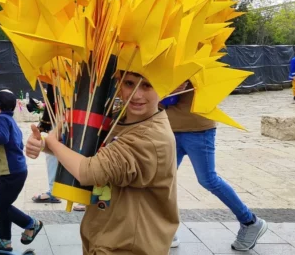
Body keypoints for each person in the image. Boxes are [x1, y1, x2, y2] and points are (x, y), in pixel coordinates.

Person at [25, 72, 179, 255]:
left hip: (129, 246)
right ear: (119, 83)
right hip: (105, 238)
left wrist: (51, 143)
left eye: (147, 85)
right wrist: (43, 144)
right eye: (129, 83)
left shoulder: (152, 138)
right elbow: (82, 150)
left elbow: (89, 171)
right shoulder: (118, 117)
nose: (136, 94)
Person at [166, 82, 268, 251]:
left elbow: (172, 88)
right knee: (163, 180)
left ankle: (250, 222)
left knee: (208, 179)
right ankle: (167, 228)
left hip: (198, 129)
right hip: (169, 128)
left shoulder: (199, 60)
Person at [0, 89, 43, 251]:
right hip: (15, 171)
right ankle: (4, 240)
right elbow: (13, 143)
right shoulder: (11, 121)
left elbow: (2, 137)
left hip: (11, 173)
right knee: (3, 205)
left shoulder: (1, 120)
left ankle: (31, 223)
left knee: (2, 205)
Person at [29, 83, 86, 211]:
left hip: (83, 111)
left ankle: (87, 192)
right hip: (60, 112)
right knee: (54, 149)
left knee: (83, 147)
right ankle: (54, 189)